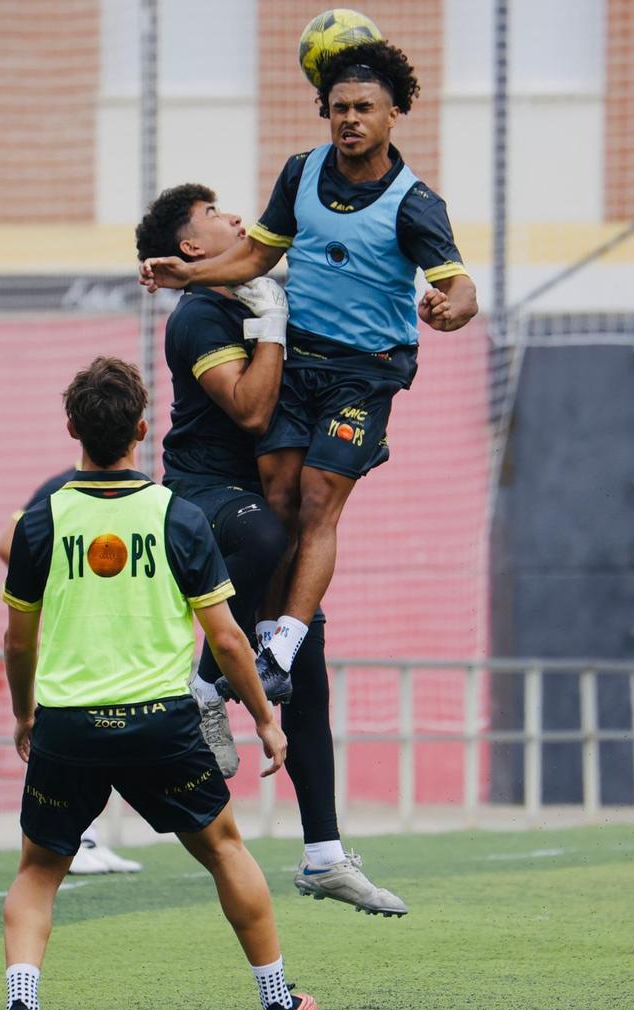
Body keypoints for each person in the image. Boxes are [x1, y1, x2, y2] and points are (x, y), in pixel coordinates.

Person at [140, 41, 478, 701]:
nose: (349, 118)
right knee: (279, 492)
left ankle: (281, 650)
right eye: (339, 108)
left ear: (393, 115)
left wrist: (451, 308)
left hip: (366, 371)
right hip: (303, 359)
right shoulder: (300, 174)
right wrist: (190, 272)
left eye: (364, 108)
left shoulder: (414, 204)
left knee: (320, 495)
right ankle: (263, 634)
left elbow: (461, 287)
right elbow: (255, 256)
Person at [0, 357, 317, 1010]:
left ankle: (24, 1003)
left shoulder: (40, 521)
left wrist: (25, 711)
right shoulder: (177, 515)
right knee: (225, 849)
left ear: (71, 429)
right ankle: (278, 1002)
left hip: (69, 726)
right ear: (143, 428)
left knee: (39, 867)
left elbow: (18, 641)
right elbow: (228, 640)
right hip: (160, 725)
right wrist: (266, 717)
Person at [135, 183, 407, 917]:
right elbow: (254, 408)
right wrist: (276, 321)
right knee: (265, 530)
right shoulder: (201, 313)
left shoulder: (260, 287)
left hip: (269, 496)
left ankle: (324, 856)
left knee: (306, 664)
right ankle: (202, 689)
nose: (235, 217)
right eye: (216, 215)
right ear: (192, 247)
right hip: (208, 499)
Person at [0, 474, 143, 876]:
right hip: (78, 644)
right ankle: (79, 839)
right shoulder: (63, 488)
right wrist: (64, 584)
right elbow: (7, 543)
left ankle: (89, 836)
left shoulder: (144, 495)